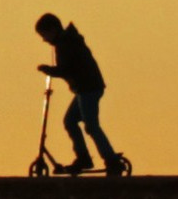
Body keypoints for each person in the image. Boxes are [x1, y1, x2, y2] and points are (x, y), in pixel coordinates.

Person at [35, 13, 120, 176]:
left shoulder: (66, 44)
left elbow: (66, 69)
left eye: (44, 35)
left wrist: (48, 70)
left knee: (91, 125)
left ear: (52, 30)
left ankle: (111, 160)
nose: (44, 40)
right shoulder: (65, 42)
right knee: (70, 121)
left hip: (88, 88)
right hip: (84, 88)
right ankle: (84, 157)